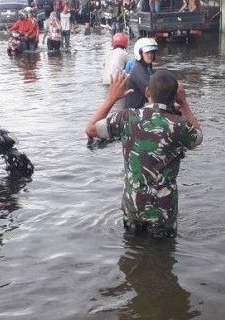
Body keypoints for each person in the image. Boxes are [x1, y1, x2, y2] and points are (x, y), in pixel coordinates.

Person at [85, 70, 203, 237]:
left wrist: (111, 98)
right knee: (163, 257)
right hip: (163, 213)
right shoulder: (179, 125)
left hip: (133, 207)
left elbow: (90, 129)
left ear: (147, 92)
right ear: (174, 97)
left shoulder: (127, 118)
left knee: (131, 254)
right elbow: (198, 138)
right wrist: (184, 103)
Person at [124, 37, 158, 109]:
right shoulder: (139, 71)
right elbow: (152, 93)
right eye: (147, 52)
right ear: (140, 53)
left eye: (152, 52)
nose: (150, 55)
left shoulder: (144, 68)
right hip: (134, 115)